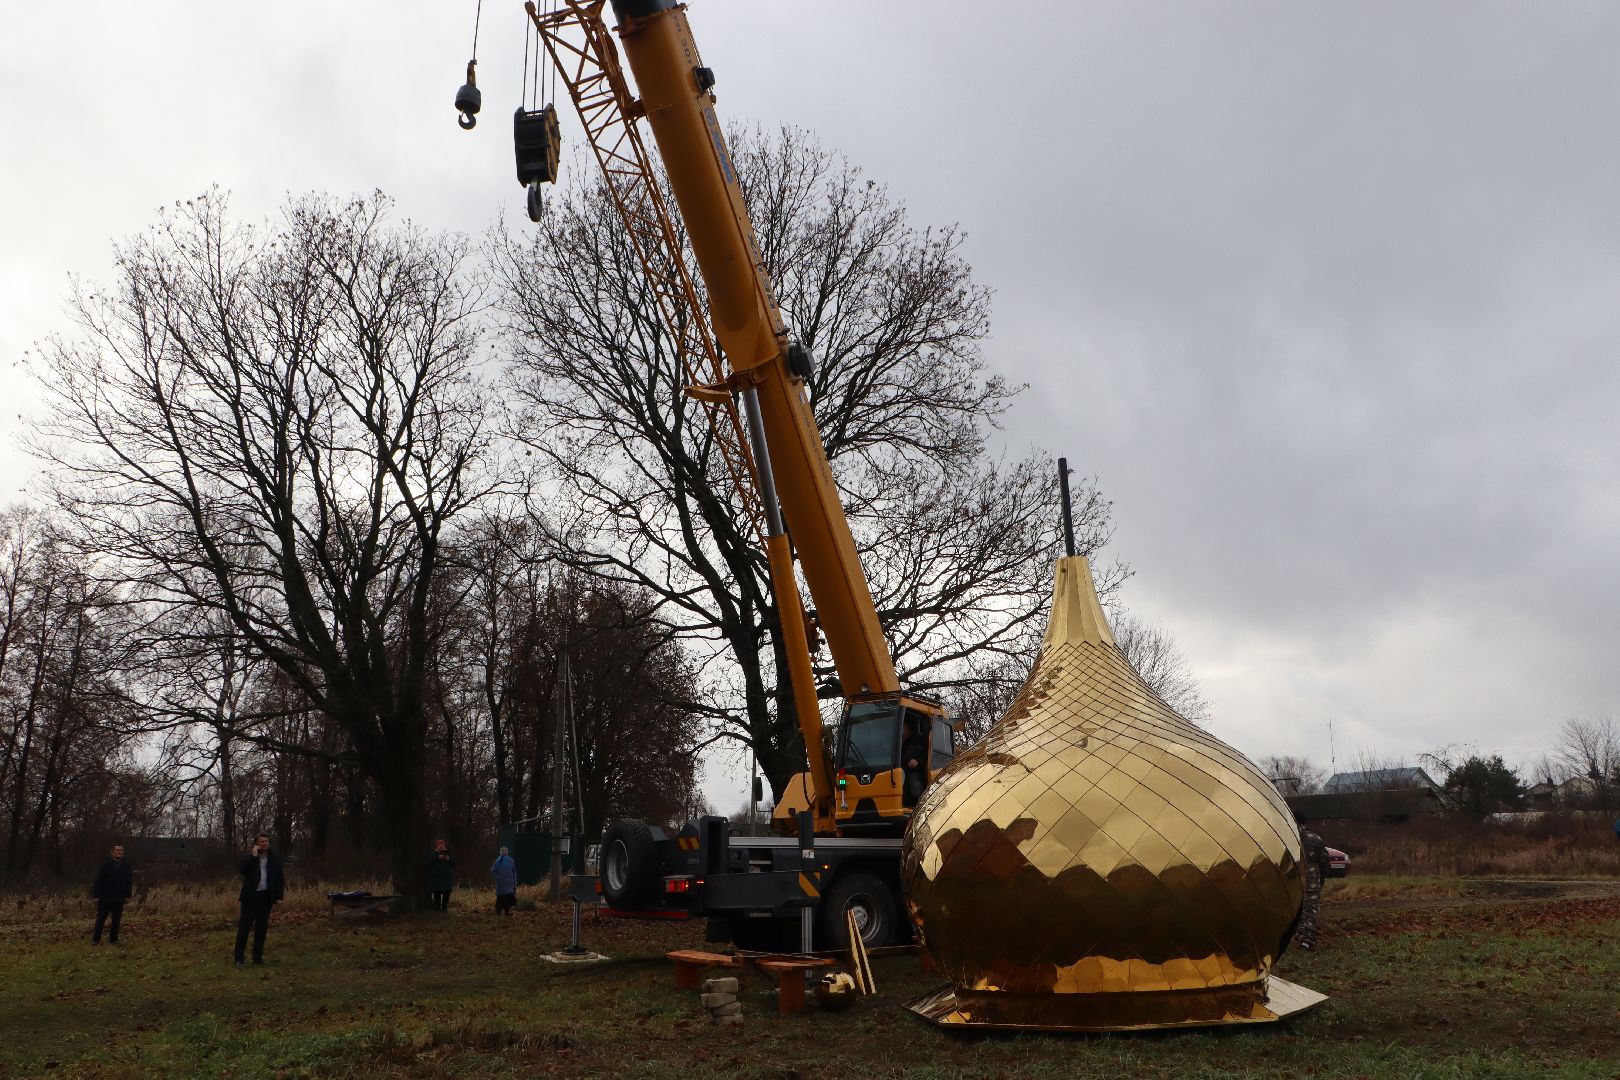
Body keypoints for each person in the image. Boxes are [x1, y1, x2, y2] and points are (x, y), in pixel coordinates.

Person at [234, 832, 285, 967]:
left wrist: (279, 897)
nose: (264, 844)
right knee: (244, 928)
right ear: (257, 844)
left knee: (261, 928)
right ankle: (239, 958)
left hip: (265, 897)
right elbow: (243, 871)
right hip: (250, 897)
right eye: (261, 842)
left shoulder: (274, 859)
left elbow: (280, 879)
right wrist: (253, 857)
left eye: (266, 841)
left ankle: (257, 957)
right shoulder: (250, 857)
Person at [90, 843, 134, 946]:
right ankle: (96, 940)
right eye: (117, 850)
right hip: (105, 897)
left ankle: (113, 940)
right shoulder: (105, 865)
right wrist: (95, 895)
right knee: (101, 919)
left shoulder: (126, 866)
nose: (120, 852)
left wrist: (128, 896)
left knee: (116, 920)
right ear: (112, 852)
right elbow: (98, 881)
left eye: (121, 851)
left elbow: (129, 882)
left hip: (119, 898)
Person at [1295, 824, 1331, 951]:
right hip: (1312, 880)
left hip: (1294, 881)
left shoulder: (1290, 838)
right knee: (1310, 910)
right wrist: (1321, 879)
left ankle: (1299, 937)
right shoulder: (1316, 839)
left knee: (1297, 910)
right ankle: (1307, 941)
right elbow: (1324, 861)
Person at [901, 717, 929, 808]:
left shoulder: (917, 742)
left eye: (903, 727)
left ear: (909, 728)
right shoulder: (896, 743)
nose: (901, 729)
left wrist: (917, 761)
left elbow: (926, 755)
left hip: (913, 779)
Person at [428, 839, 456, 911]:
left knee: (446, 893)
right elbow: (429, 862)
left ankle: (444, 908)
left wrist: (448, 858)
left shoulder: (448, 853)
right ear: (437, 846)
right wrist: (438, 858)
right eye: (440, 846)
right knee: (437, 893)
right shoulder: (433, 854)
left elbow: (454, 863)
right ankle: (437, 908)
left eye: (442, 845)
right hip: (436, 878)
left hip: (447, 878)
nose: (441, 847)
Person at [490, 845, 518, 917]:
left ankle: (507, 913)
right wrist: (499, 878)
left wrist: (514, 880)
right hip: (501, 884)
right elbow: (492, 871)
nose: (504, 852)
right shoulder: (497, 862)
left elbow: (514, 871)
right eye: (503, 851)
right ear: (500, 852)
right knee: (500, 899)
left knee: (508, 898)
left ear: (508, 852)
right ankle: (498, 912)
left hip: (509, 883)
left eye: (506, 851)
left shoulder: (511, 860)